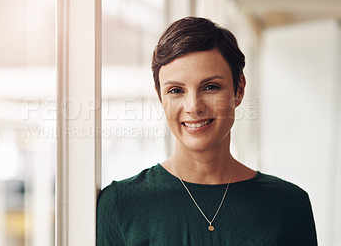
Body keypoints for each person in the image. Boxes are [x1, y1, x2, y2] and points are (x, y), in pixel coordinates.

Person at [97, 17, 317, 245]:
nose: (194, 106)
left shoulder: (289, 205)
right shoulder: (120, 204)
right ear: (160, 96)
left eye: (210, 87)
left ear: (239, 90)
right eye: (175, 90)